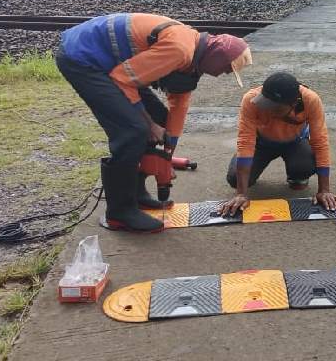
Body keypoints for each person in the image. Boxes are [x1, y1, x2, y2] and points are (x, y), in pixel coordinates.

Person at [56, 12, 252, 232]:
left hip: (113, 64)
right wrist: (149, 125)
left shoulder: (192, 53)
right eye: (226, 69)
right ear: (216, 58)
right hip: (83, 58)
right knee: (132, 131)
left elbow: (178, 106)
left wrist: (167, 153)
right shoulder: (179, 49)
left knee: (159, 117)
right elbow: (122, 79)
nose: (222, 74)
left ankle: (137, 194)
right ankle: (119, 212)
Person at [221, 72, 336, 216]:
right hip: (261, 143)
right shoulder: (251, 100)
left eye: (276, 108)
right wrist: (241, 194)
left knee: (303, 168)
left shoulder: (311, 100)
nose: (268, 111)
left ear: (293, 104)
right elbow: (245, 142)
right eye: (266, 104)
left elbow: (320, 142)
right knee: (235, 178)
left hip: (295, 143)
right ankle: (247, 174)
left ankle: (297, 176)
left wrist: (324, 190)